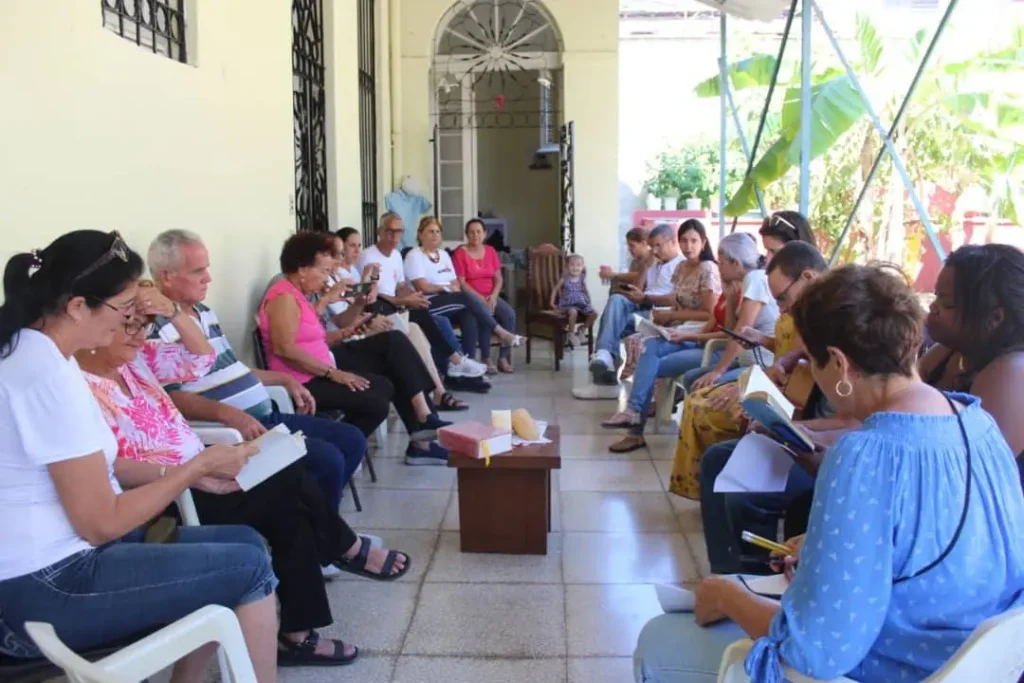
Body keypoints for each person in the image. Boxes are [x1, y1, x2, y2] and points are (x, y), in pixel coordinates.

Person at [634, 263, 1024, 683]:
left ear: (838, 364)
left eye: (815, 363)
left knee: (660, 639)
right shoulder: (976, 423)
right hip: (978, 664)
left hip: (898, 668)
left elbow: (815, 650)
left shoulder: (865, 456)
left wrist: (727, 597)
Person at [0, 231, 279, 683]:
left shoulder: (40, 353)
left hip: (61, 560)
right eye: (125, 307)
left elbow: (90, 471)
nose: (133, 320)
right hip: (48, 586)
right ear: (77, 307)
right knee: (246, 568)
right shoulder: (47, 377)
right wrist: (198, 466)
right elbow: (101, 522)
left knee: (245, 543)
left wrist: (191, 475)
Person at [78, 300, 411, 666]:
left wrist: (172, 312)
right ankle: (342, 552)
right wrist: (192, 471)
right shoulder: (79, 389)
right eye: (128, 325)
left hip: (202, 466)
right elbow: (108, 467)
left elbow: (201, 356)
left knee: (288, 493)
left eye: (144, 325)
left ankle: (301, 629)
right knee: (287, 486)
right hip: (168, 494)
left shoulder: (134, 363)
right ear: (95, 325)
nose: (140, 336)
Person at [147, 230, 366, 511]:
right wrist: (230, 414)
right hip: (233, 433)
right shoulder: (156, 327)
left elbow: (234, 370)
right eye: (198, 271)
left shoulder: (204, 312)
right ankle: (319, 531)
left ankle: (321, 525)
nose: (209, 278)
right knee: (327, 458)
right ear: (166, 276)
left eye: (207, 269)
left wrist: (284, 379)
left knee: (350, 439)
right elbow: (170, 398)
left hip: (263, 417)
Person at [697, 241, 834, 575]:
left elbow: (857, 418)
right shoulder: (815, 323)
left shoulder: (845, 327)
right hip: (807, 435)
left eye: (783, 298)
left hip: (831, 447)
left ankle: (760, 581)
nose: (782, 310)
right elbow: (803, 380)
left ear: (808, 277)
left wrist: (790, 428)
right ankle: (729, 572)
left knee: (748, 492)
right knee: (717, 458)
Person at [260, 231, 450, 466]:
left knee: (393, 344)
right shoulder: (283, 297)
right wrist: (335, 374)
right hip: (305, 379)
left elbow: (314, 339)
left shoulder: (299, 295)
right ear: (302, 268)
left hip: (322, 364)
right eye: (324, 271)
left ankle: (422, 420)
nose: (326, 278)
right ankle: (335, 448)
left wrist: (349, 324)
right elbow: (285, 349)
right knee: (379, 395)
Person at [666, 232, 780, 500]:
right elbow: (730, 330)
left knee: (701, 395)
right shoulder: (745, 283)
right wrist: (729, 298)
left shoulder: (755, 280)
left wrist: (718, 372)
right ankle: (702, 481)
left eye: (722, 261)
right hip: (745, 365)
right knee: (695, 381)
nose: (719, 267)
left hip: (761, 368)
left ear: (736, 264)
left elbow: (741, 334)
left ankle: (707, 481)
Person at [603, 220, 723, 452]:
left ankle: (634, 423)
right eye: (684, 241)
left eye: (694, 240)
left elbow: (709, 314)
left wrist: (672, 316)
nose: (688, 246)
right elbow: (673, 299)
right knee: (648, 346)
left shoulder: (708, 269)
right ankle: (634, 416)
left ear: (704, 242)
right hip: (678, 330)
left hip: (698, 333)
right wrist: (648, 300)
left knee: (650, 356)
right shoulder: (681, 268)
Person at [328, 228, 467, 411]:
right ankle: (435, 390)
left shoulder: (351, 271)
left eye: (358, 245)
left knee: (416, 328)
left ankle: (436, 394)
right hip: (357, 330)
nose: (356, 251)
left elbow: (365, 299)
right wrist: (370, 316)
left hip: (369, 317)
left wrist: (369, 282)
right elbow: (347, 316)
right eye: (349, 247)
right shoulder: (331, 281)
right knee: (412, 325)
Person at [357, 212, 490, 389]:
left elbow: (401, 285)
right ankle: (456, 363)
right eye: (390, 231)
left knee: (459, 315)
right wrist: (403, 300)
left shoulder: (396, 255)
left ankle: (460, 372)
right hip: (380, 310)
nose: (395, 236)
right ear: (379, 231)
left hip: (399, 305)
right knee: (442, 313)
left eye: (399, 232)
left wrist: (412, 296)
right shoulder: (368, 257)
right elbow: (368, 296)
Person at [405, 217, 524, 361]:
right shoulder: (414, 255)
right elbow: (423, 287)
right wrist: (445, 287)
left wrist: (447, 288)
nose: (435, 234)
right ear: (420, 234)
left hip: (448, 300)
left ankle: (470, 362)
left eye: (437, 231)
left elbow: (455, 282)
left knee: (470, 314)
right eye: (430, 231)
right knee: (466, 298)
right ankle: (501, 332)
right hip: (427, 303)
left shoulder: (443, 255)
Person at [589, 223, 685, 380]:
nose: (654, 251)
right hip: (645, 304)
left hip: (661, 311)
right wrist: (645, 268)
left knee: (614, 322)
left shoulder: (681, 265)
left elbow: (675, 299)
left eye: (658, 246)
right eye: (652, 246)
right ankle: (605, 354)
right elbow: (638, 289)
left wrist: (646, 297)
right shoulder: (654, 264)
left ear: (673, 241)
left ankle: (607, 368)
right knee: (616, 300)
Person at [452, 218, 517, 374]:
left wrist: (494, 296)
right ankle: (486, 358)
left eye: (479, 231)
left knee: (510, 315)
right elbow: (461, 282)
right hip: (470, 297)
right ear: (467, 234)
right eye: (472, 232)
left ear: (485, 233)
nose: (475, 235)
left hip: (491, 296)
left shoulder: (490, 251)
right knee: (484, 315)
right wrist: (480, 299)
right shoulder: (460, 253)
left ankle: (503, 357)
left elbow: (499, 278)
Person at [550, 254, 594, 348]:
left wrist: (588, 302)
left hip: (581, 303)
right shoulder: (565, 279)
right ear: (567, 267)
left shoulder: (581, 278)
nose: (575, 267)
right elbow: (555, 289)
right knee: (573, 312)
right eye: (572, 265)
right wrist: (552, 303)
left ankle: (582, 329)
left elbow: (585, 290)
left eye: (578, 265)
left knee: (593, 314)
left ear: (582, 267)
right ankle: (570, 333)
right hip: (568, 304)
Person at [599, 227, 654, 296]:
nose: (629, 249)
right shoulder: (634, 262)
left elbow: (642, 276)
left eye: (632, 245)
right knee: (615, 284)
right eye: (628, 245)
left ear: (643, 243)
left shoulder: (653, 258)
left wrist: (615, 275)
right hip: (634, 294)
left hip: (647, 297)